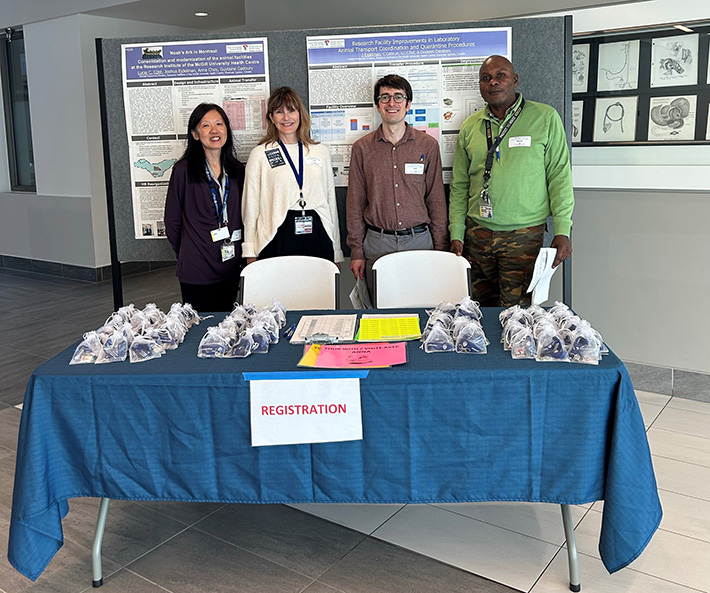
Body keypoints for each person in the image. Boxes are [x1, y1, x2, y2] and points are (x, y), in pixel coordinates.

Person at [449, 55, 574, 307]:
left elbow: (559, 177)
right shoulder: (471, 126)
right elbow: (459, 185)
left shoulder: (545, 118)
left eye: (500, 75)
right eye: (486, 78)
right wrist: (456, 232)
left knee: (517, 315)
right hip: (477, 235)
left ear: (515, 80)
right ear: (480, 86)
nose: (493, 82)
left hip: (524, 236)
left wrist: (562, 229)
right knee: (477, 310)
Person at [346, 74, 448, 292]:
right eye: (385, 97)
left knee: (421, 306)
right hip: (376, 244)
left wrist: (441, 247)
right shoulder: (362, 149)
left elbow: (436, 200)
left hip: (419, 242)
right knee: (381, 314)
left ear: (408, 104)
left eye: (398, 97)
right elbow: (355, 203)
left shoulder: (427, 146)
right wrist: (356, 251)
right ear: (377, 105)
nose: (391, 103)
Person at [241, 87, 343, 264]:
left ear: (300, 114)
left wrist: (336, 250)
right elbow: (250, 206)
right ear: (271, 118)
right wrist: (249, 250)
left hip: (318, 234)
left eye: (291, 110)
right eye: (279, 112)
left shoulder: (320, 151)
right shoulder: (260, 154)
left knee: (316, 291)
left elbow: (330, 201)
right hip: (277, 235)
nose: (286, 118)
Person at [164, 102, 245, 312]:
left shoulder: (237, 171)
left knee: (229, 327)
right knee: (201, 328)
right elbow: (172, 221)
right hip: (196, 266)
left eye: (219, 124)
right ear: (195, 134)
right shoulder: (183, 171)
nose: (214, 130)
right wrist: (186, 251)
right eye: (206, 126)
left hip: (231, 265)